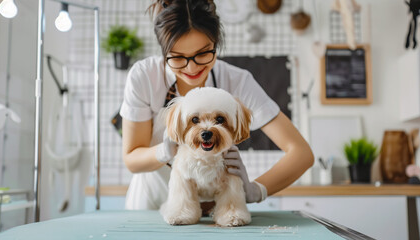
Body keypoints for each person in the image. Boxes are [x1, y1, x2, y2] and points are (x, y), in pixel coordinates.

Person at [120, 0, 314, 210]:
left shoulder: (238, 81)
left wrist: (256, 190)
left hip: (218, 211)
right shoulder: (144, 76)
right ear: (164, 51)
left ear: (216, 43)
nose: (192, 67)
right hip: (152, 203)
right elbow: (132, 158)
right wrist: (165, 151)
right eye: (177, 57)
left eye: (203, 53)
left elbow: (301, 153)